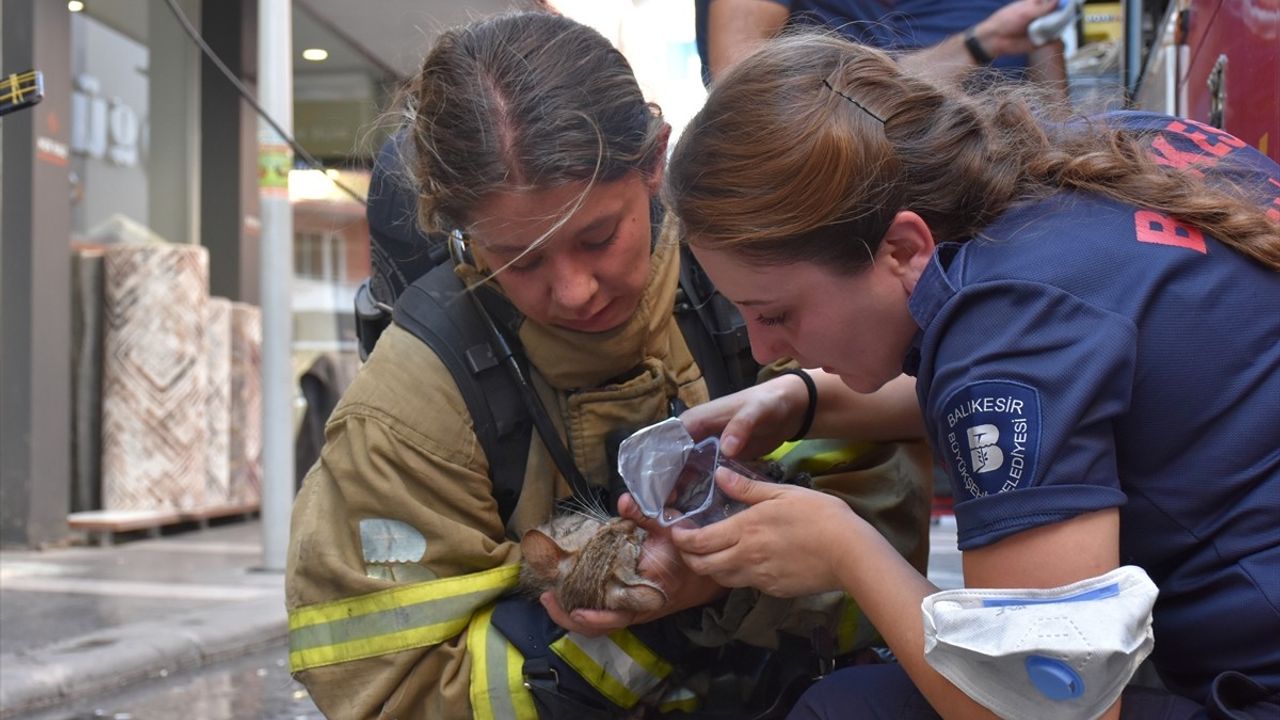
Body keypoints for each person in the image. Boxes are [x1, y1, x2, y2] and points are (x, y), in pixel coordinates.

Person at [285, 12, 934, 720]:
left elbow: (886, 542)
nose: (573, 291)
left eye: (598, 236)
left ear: (655, 161)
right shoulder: (408, 410)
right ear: (460, 232)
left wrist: (729, 576)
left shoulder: (754, 285)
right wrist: (656, 618)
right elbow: (385, 685)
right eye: (520, 259)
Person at [662, 32, 1280, 720]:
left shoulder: (1007, 328)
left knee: (843, 710)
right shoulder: (1083, 157)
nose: (764, 348)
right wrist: (803, 401)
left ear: (901, 247)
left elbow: (1053, 708)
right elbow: (1058, 390)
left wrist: (845, 550)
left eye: (775, 312)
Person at [696, 0, 1068, 92]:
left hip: (1002, 214)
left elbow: (1052, 114)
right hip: (840, 216)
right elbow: (737, 77)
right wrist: (977, 45)